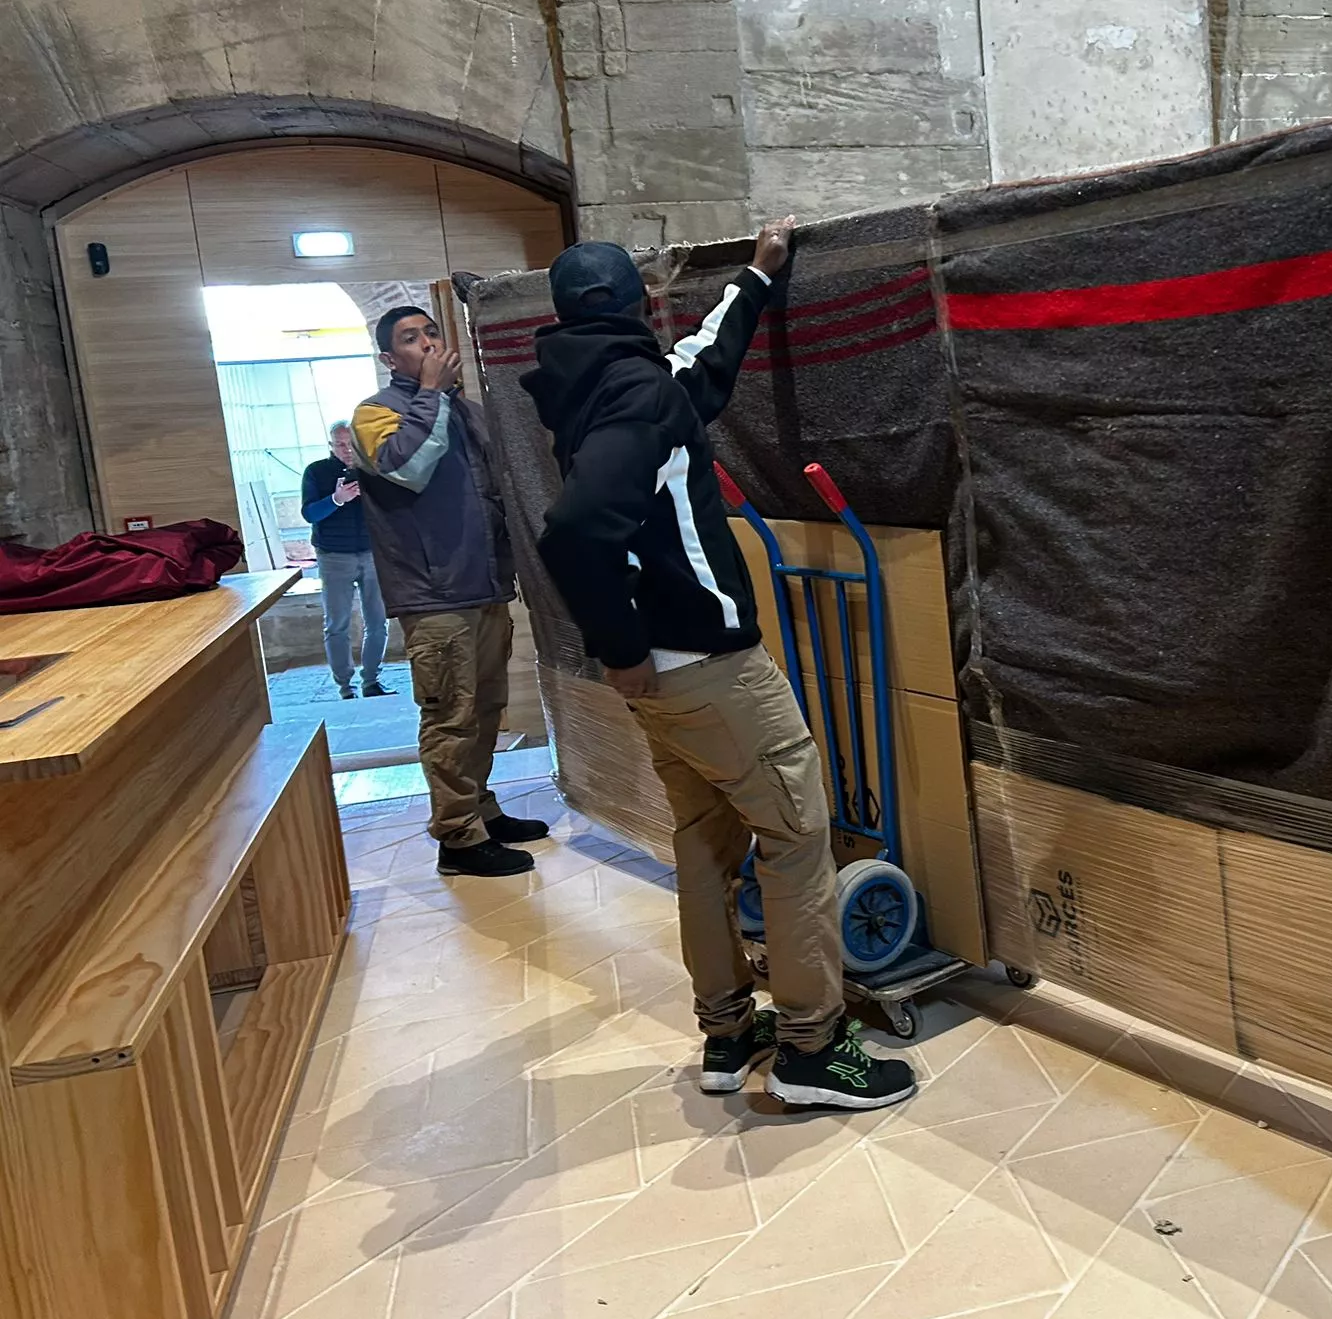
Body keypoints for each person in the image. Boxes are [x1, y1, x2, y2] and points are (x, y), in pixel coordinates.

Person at [523, 223, 917, 1112]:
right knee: (796, 836)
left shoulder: (595, 389)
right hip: (707, 667)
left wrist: (756, 277)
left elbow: (699, 372)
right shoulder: (635, 393)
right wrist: (618, 648)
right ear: (641, 308)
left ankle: (729, 1030)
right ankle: (814, 1048)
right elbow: (578, 531)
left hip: (669, 684)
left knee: (706, 843)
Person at [351, 306, 550, 878]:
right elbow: (407, 468)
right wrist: (433, 395)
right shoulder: (374, 414)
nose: (428, 344)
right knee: (450, 717)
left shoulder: (470, 412)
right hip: (434, 598)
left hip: (485, 585)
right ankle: (458, 839)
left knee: (486, 709)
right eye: (410, 339)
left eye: (432, 331)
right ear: (390, 359)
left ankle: (481, 811)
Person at [301, 420, 392, 700]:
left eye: (350, 443)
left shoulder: (372, 468)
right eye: (339, 444)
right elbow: (309, 514)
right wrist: (336, 499)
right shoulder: (316, 471)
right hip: (333, 556)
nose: (346, 449)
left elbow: (391, 508)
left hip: (371, 553)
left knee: (378, 621)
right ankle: (344, 686)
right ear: (331, 446)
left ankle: (371, 680)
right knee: (336, 623)